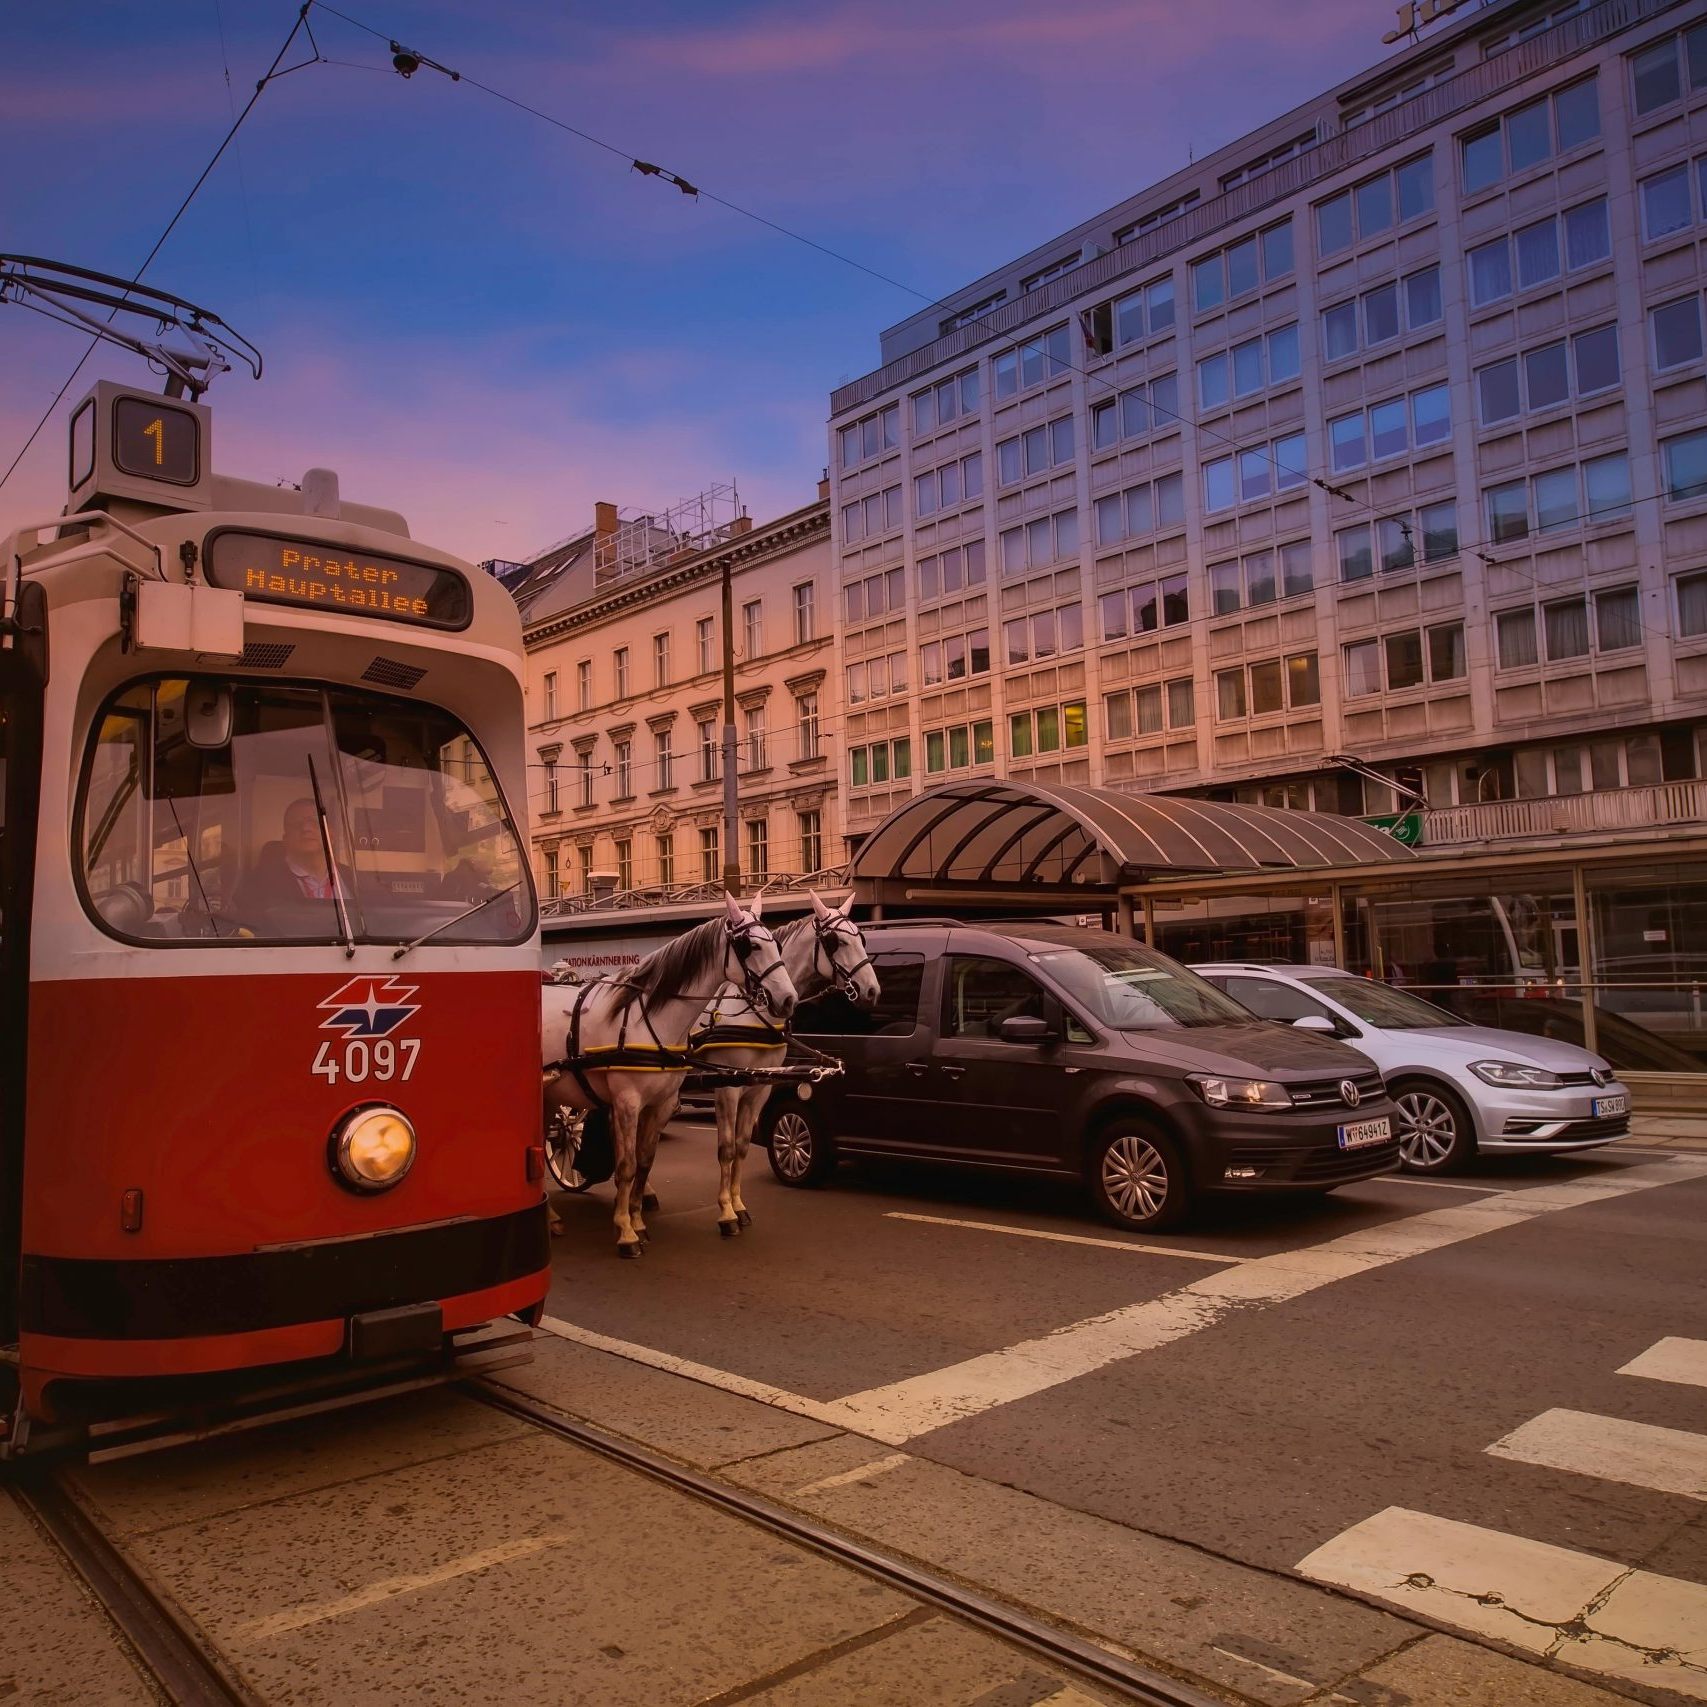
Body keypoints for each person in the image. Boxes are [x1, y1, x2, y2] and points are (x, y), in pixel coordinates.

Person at [233, 797, 354, 924]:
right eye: (296, 825)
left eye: (314, 823)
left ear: (331, 836)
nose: (306, 829)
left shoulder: (355, 880)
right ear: (286, 840)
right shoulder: (256, 884)